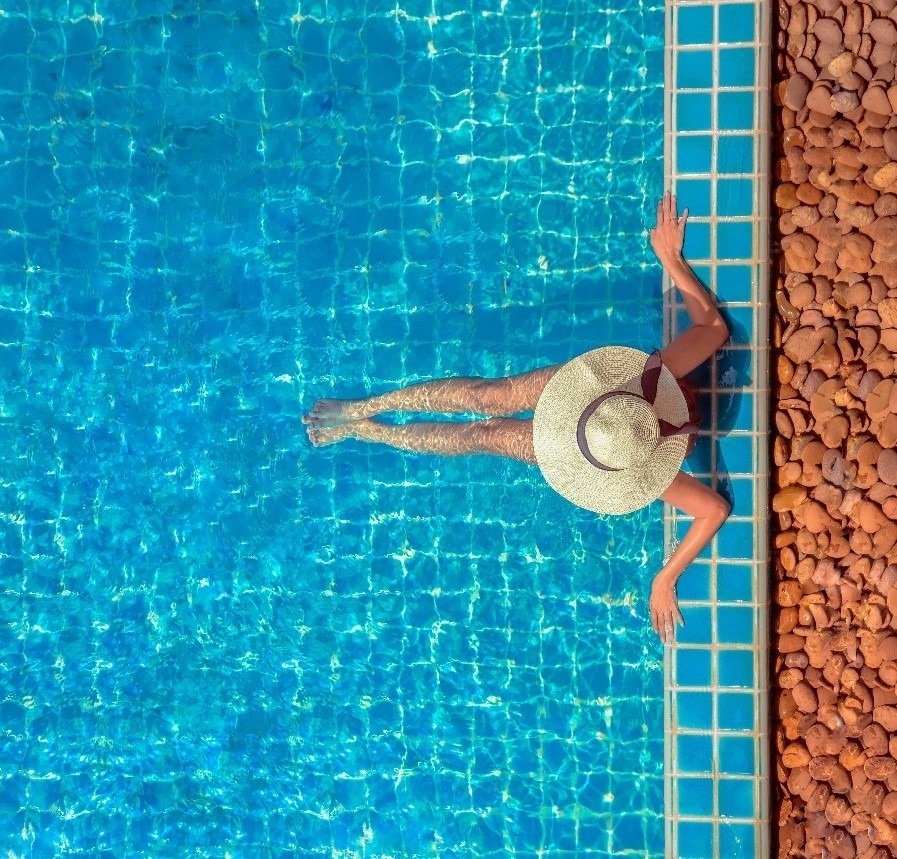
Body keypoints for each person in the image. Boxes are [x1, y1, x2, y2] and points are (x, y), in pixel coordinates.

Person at [302, 192, 730, 644]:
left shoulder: (653, 384)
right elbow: (713, 510)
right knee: (483, 427)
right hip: (590, 420)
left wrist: (670, 260)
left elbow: (711, 330)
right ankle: (363, 421)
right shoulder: (652, 422)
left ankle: (363, 418)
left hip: (586, 421)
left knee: (485, 411)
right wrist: (664, 577)